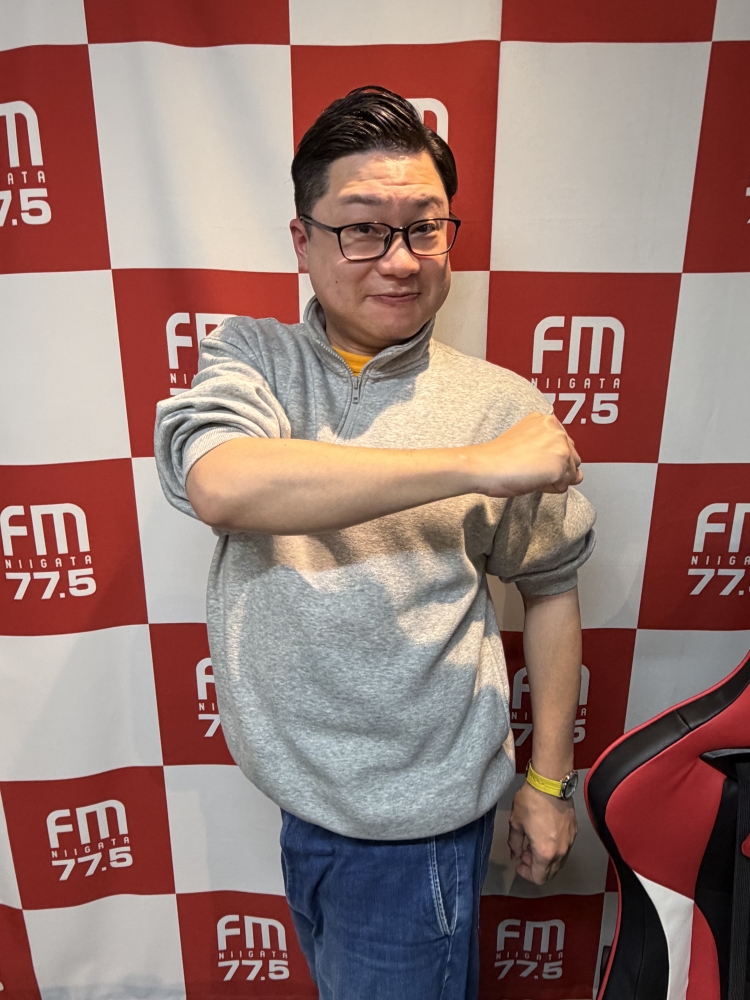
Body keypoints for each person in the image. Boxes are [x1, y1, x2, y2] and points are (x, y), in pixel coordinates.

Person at [155, 86, 596, 1000]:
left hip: (419, 830)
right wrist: (477, 466)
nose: (399, 261)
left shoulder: (499, 403)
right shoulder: (253, 357)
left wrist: (550, 785)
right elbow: (224, 486)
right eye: (362, 229)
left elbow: (551, 587)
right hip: (303, 805)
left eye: (424, 229)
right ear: (303, 239)